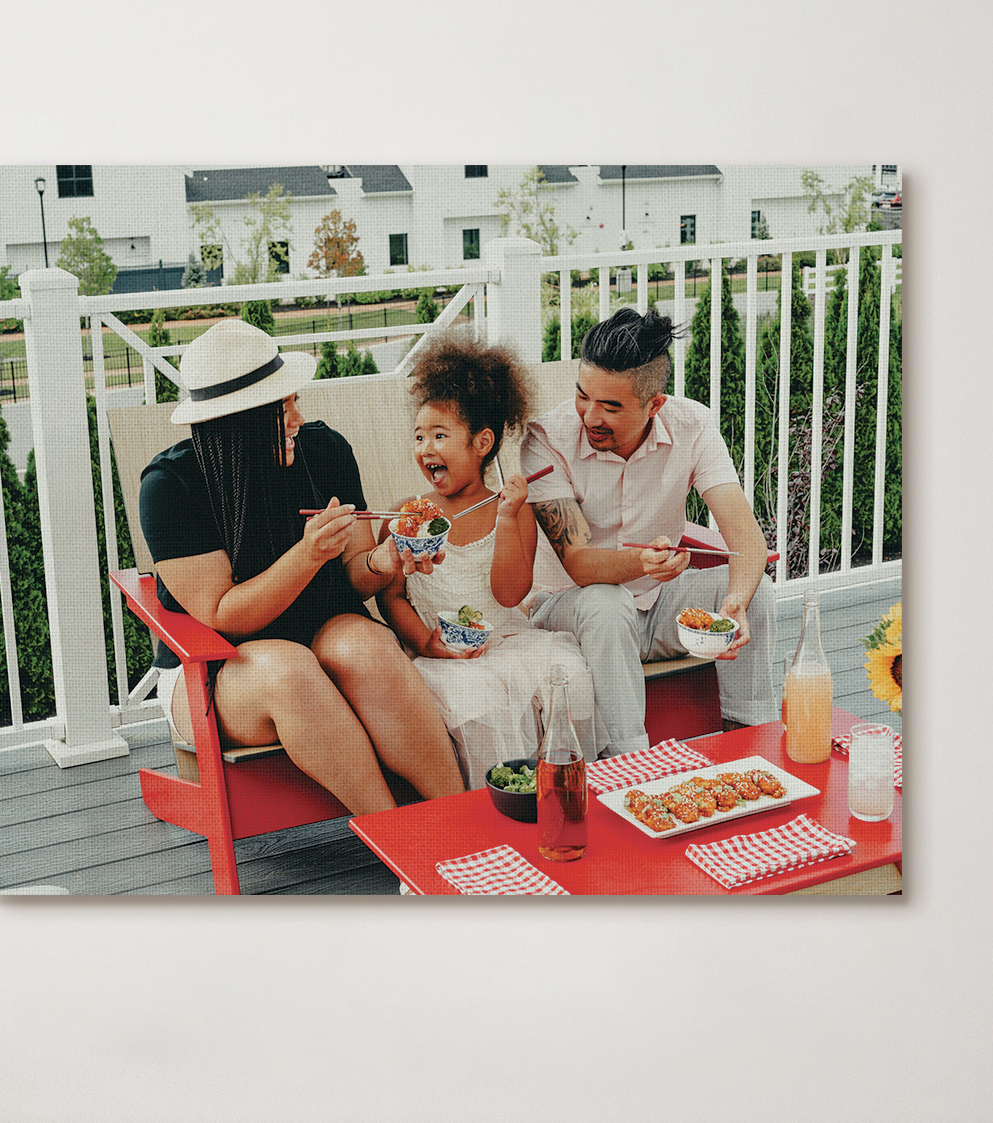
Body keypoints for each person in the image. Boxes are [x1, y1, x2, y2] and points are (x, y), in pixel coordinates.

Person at [138, 319, 464, 817]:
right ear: (239, 420)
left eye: (294, 400)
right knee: (289, 670)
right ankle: (399, 841)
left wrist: (384, 559)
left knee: (367, 646)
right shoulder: (171, 486)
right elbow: (223, 614)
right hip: (217, 668)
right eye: (282, 406)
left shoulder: (323, 450)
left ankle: (462, 822)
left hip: (319, 636)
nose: (297, 417)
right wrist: (307, 555)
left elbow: (355, 573)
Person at [523, 307, 779, 758]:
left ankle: (748, 743)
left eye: (611, 406)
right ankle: (628, 764)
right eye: (584, 396)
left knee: (756, 589)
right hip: (567, 612)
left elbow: (746, 539)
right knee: (607, 600)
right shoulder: (545, 439)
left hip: (657, 606)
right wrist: (642, 563)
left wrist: (735, 602)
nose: (589, 415)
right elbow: (580, 564)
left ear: (655, 404)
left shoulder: (692, 425)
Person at [376, 329, 598, 778]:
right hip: (440, 656)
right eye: (419, 437)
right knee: (479, 697)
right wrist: (425, 644)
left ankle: (561, 789)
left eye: (440, 436)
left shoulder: (512, 510)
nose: (426, 449)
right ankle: (490, 810)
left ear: (481, 443)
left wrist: (507, 517)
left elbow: (510, 593)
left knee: (567, 675)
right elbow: (392, 597)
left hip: (509, 640)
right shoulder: (406, 515)